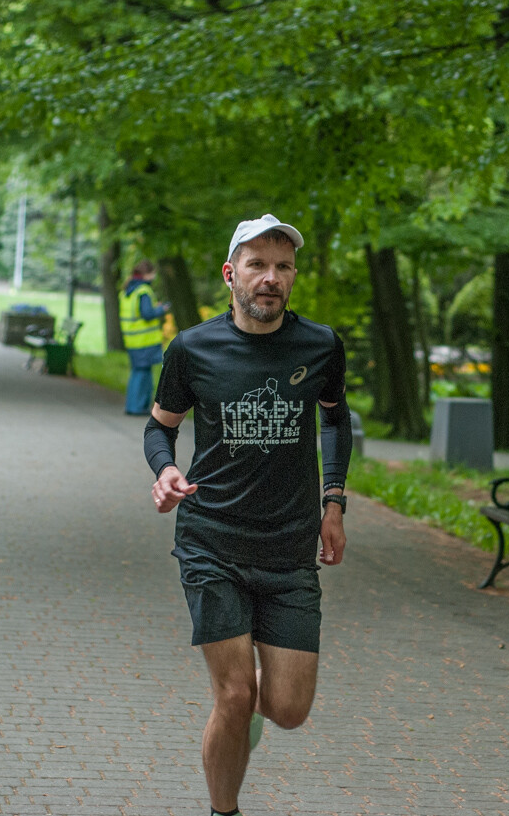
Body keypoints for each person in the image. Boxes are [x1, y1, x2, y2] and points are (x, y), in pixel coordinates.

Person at [143, 214, 353, 816]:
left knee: (287, 709)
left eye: (283, 267)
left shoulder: (320, 345)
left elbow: (335, 420)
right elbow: (160, 428)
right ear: (231, 274)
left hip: (289, 550)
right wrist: (165, 470)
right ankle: (223, 809)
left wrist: (333, 502)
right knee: (235, 694)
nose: (271, 278)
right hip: (212, 541)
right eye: (257, 265)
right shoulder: (193, 348)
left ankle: (244, 719)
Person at [119, 259, 170, 415]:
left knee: (137, 372)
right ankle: (138, 407)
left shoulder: (127, 290)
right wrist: (161, 309)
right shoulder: (143, 291)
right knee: (143, 373)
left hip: (132, 339)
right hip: (145, 340)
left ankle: (132, 406)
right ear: (147, 274)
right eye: (153, 273)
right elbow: (147, 314)